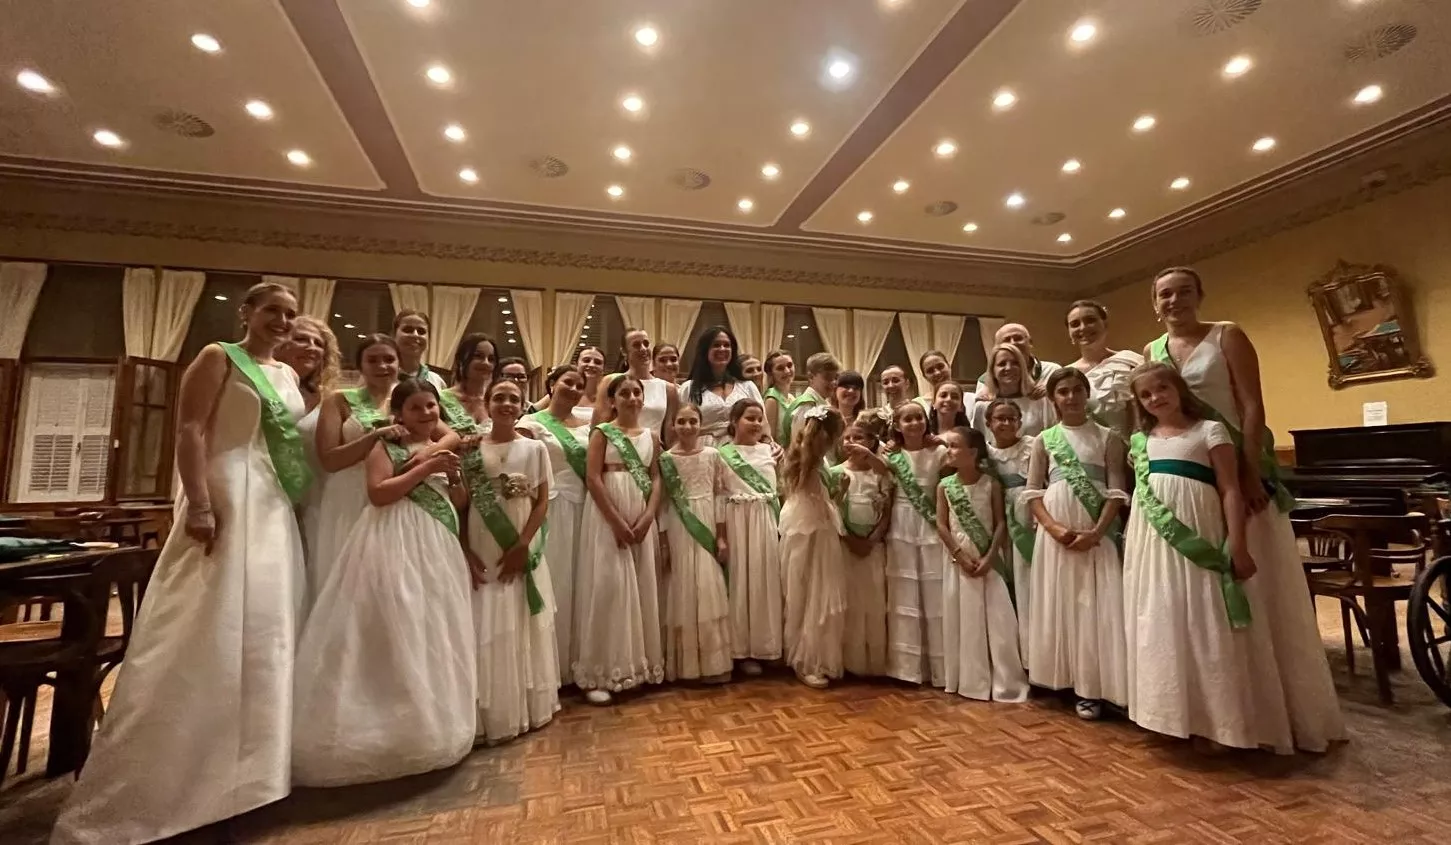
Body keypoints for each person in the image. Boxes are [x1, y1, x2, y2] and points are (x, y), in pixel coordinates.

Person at [52, 283, 312, 844]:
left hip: (271, 500)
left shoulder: (288, 376)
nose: (282, 322)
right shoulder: (218, 356)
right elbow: (190, 430)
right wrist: (197, 502)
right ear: (248, 313)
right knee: (211, 622)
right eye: (273, 312)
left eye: (290, 315)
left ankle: (255, 775)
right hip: (227, 490)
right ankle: (181, 777)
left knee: (267, 630)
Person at [1145, 266, 1345, 751]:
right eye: (1165, 295)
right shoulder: (1153, 351)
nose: (1174, 301)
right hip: (1189, 470)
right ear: (1155, 303)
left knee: (1251, 584)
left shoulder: (1226, 335)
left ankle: (1270, 708)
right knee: (1201, 594)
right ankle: (1209, 706)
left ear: (1200, 295)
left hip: (1236, 461)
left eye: (1183, 292)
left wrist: (1253, 467)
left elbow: (1251, 405)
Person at [292, 379, 475, 785]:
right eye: (416, 408)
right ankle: (390, 725)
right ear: (400, 414)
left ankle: (437, 719)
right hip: (395, 538)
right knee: (398, 623)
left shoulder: (445, 447)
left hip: (436, 542)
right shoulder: (385, 446)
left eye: (431, 406)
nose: (427, 414)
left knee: (434, 626)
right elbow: (379, 493)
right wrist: (426, 467)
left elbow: (458, 503)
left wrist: (455, 479)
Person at [1123, 361, 1296, 752]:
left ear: (1180, 388)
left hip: (1200, 535)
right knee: (1162, 618)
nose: (1155, 398)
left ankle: (1221, 721)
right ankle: (1169, 713)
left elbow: (1230, 490)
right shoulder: (1141, 440)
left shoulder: (1209, 431)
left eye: (1162, 388)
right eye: (1146, 395)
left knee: (1206, 620)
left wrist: (1237, 543)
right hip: (1152, 543)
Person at [1024, 368, 1128, 721]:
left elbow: (1116, 490)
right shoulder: (1044, 439)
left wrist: (1098, 532)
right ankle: (1068, 679)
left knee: (1097, 608)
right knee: (1063, 603)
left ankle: (1100, 686)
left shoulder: (1108, 437)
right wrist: (1053, 528)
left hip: (1096, 534)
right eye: (1063, 391)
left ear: (1087, 394)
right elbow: (1033, 492)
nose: (1070, 397)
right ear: (1054, 398)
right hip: (1057, 536)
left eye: (1076, 390)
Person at [465, 378, 560, 742]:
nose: (506, 403)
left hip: (521, 538)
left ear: (523, 405)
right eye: (499, 398)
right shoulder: (470, 449)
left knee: (519, 610)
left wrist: (523, 543)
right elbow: (462, 502)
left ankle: (523, 703)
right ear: (487, 404)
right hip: (482, 536)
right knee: (486, 616)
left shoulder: (535, 449)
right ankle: (486, 710)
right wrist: (464, 547)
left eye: (514, 399)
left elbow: (542, 501)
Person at [574, 375, 664, 704]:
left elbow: (656, 478)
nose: (631, 397)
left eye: (636, 392)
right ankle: (600, 672)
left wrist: (648, 516)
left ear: (643, 399)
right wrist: (615, 521)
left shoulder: (652, 437)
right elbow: (593, 477)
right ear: (612, 400)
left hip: (641, 516)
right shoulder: (601, 433)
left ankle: (637, 667)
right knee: (609, 589)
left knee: (640, 588)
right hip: (607, 515)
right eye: (623, 393)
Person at [308, 335, 406, 600]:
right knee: (347, 579)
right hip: (349, 494)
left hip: (396, 494)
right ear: (360, 365)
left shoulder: (410, 399)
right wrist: (374, 437)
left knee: (390, 579)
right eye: (372, 360)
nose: (382, 366)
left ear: (399, 362)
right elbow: (329, 459)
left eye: (389, 359)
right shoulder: (339, 401)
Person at [936, 426, 1029, 703]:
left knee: (998, 619)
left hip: (989, 558)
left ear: (972, 452)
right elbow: (941, 524)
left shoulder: (991, 484)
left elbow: (1001, 522)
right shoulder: (945, 486)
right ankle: (970, 680)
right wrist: (959, 555)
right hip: (959, 559)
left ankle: (1005, 680)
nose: (948, 451)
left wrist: (990, 557)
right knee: (965, 618)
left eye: (953, 446)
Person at [518, 366, 591, 683]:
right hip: (552, 512)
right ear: (551, 384)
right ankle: (551, 669)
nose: (573, 389)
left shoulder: (589, 426)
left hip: (585, 510)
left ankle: (577, 661)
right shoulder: (531, 424)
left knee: (580, 586)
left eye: (579, 385)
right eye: (567, 382)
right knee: (557, 583)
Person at [657, 403, 732, 683]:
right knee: (683, 588)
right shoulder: (665, 459)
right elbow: (662, 504)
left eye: (692, 421)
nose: (687, 427)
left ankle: (712, 664)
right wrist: (664, 542)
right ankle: (687, 665)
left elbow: (719, 496)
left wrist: (722, 536)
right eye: (682, 422)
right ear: (673, 425)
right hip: (678, 526)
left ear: (700, 424)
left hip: (707, 524)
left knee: (708, 587)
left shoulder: (713, 455)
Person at [779, 406, 849, 688]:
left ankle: (818, 655)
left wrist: (841, 491)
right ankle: (804, 659)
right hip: (805, 528)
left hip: (821, 527)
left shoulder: (820, 461)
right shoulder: (804, 458)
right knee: (805, 591)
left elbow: (827, 497)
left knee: (820, 591)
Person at [883, 400, 948, 687]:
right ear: (897, 425)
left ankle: (940, 668)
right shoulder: (890, 454)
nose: (914, 423)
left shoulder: (940, 451)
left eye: (919, 418)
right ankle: (907, 668)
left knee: (934, 590)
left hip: (931, 522)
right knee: (904, 590)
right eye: (907, 419)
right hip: (901, 522)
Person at [718, 399, 782, 675]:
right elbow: (718, 495)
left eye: (760, 419)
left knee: (764, 582)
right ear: (734, 421)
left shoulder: (772, 451)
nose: (756, 423)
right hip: (737, 521)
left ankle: (767, 646)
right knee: (741, 582)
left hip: (766, 520)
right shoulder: (721, 453)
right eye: (750, 418)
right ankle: (742, 651)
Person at [837, 418, 894, 677]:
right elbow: (832, 510)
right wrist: (850, 539)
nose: (852, 443)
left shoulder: (880, 474)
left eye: (859, 438)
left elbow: (887, 512)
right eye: (848, 438)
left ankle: (871, 659)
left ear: (872, 443)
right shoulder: (836, 472)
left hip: (872, 548)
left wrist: (872, 540)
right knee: (848, 600)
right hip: (845, 548)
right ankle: (848, 659)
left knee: (873, 600)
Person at [983, 399, 1036, 660]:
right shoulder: (983, 452)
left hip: (1026, 517)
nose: (1005, 423)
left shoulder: (1032, 446)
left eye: (1010, 418)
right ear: (988, 423)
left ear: (1019, 421)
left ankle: (1032, 655)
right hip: (996, 518)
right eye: (999, 419)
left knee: (1028, 583)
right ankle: (1010, 655)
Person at [1066, 300, 1144, 440]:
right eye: (1075, 324)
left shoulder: (1132, 361)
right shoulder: (1067, 375)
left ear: (1105, 324)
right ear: (1070, 333)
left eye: (1090, 320)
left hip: (1137, 447)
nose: (1083, 327)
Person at [680, 327, 765, 447]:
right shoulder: (688, 389)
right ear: (705, 350)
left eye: (726, 345)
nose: (722, 349)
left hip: (743, 452)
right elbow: (679, 428)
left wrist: (770, 442)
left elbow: (763, 424)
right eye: (716, 345)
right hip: (703, 452)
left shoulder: (747, 387)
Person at [597, 328, 676, 443]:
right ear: (624, 352)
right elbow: (599, 427)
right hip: (619, 452)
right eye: (636, 345)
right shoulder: (610, 381)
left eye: (646, 344)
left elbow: (670, 435)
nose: (643, 349)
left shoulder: (668, 389)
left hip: (652, 453)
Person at [973, 343, 1055, 438]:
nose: (1008, 368)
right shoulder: (982, 405)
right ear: (992, 370)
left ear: (1023, 368)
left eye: (1015, 363)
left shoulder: (1041, 400)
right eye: (1002, 364)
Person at [976, 323, 1060, 395]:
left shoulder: (1052, 371)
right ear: (997, 347)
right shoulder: (984, 381)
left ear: (1030, 342)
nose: (1013, 343)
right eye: (1006, 339)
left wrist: (1052, 392)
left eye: (1018, 338)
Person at [278, 315, 337, 415]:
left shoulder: (325, 396)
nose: (312, 347)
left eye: (318, 343)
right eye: (301, 339)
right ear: (279, 345)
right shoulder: (261, 382)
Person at [441, 333, 496, 436]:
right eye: (478, 356)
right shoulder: (440, 399)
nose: (486, 363)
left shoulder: (495, 401)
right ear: (461, 360)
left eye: (491, 359)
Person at [786, 352, 840, 443]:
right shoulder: (806, 406)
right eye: (828, 377)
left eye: (836, 377)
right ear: (811, 377)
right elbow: (799, 445)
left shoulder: (824, 403)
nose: (833, 382)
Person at [393, 309, 448, 392]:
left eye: (421, 331)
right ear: (393, 335)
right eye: (408, 330)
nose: (415, 335)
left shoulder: (437, 382)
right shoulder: (381, 377)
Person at [761, 350, 796, 443]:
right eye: (780, 368)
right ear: (771, 373)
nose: (787, 371)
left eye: (789, 365)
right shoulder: (771, 399)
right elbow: (769, 438)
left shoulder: (791, 398)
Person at [573, 345, 608, 424]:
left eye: (598, 362)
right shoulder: (564, 391)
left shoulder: (610, 397)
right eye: (586, 360)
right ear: (576, 364)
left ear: (603, 369)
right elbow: (538, 412)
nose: (592, 365)